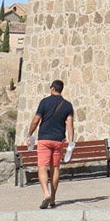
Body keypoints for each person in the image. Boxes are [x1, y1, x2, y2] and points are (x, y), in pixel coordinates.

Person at [25, 79, 75, 210]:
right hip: (59, 141)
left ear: (52, 88)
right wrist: (71, 141)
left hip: (44, 140)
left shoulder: (44, 102)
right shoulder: (67, 105)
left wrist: (29, 134)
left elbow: (36, 121)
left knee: (42, 167)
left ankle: (46, 194)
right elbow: (70, 125)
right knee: (55, 169)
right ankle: (53, 198)